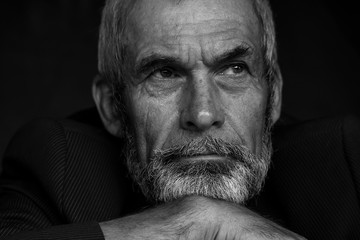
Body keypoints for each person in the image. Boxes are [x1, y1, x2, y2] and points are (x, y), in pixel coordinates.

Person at [0, 0, 329, 239]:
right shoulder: (57, 164)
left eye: (234, 69)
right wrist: (190, 223)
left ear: (274, 97)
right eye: (165, 73)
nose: (202, 115)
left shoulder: (345, 168)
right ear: (112, 106)